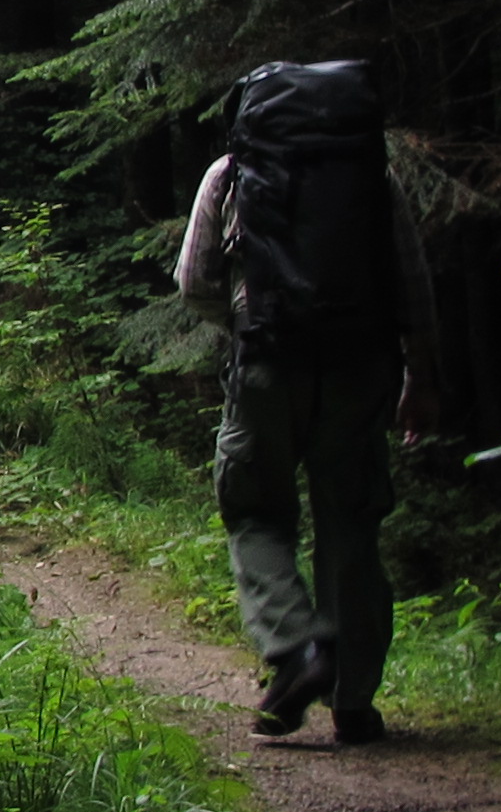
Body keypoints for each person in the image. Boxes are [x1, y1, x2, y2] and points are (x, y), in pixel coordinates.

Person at [173, 60, 442, 745]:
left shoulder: (229, 175)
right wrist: (420, 377)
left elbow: (194, 280)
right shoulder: (370, 180)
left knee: (255, 513)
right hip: (361, 369)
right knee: (351, 525)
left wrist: (241, 325)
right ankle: (354, 703)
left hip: (267, 365)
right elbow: (412, 285)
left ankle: (296, 649)